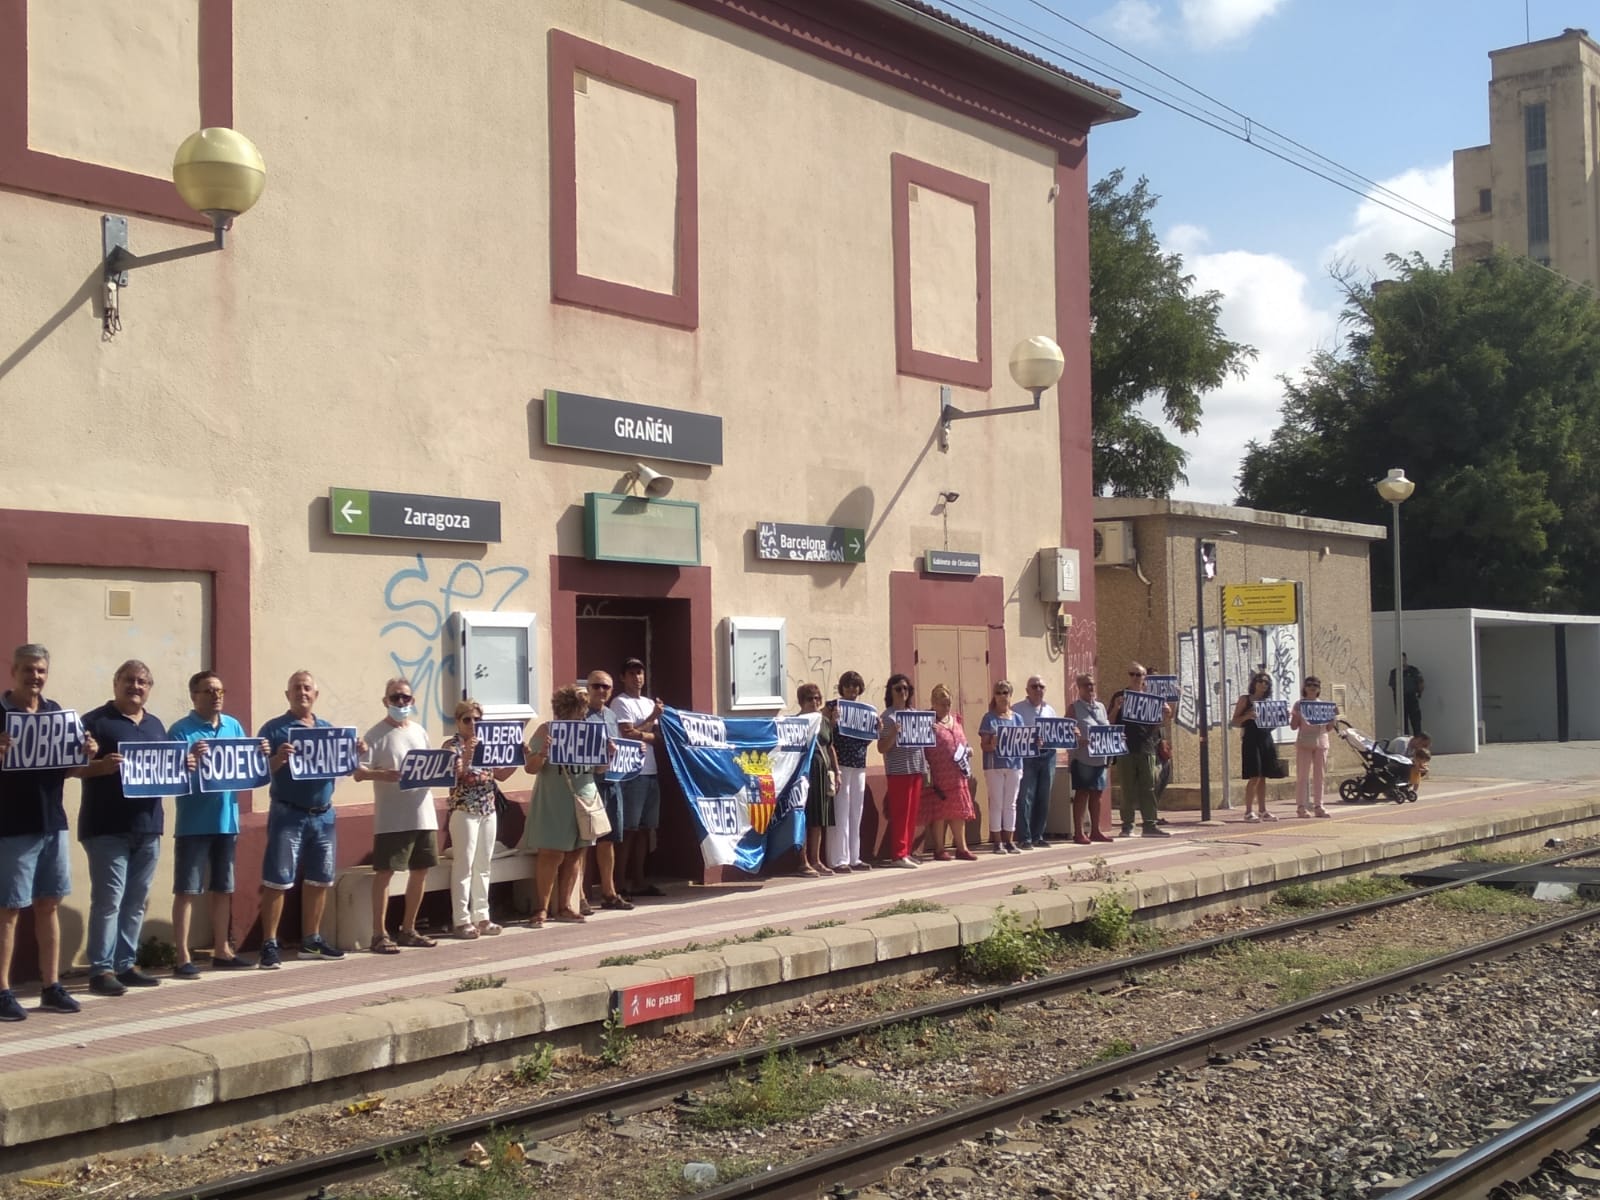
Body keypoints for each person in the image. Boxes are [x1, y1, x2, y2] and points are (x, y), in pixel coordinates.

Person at [80, 660, 190, 996]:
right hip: (106, 827)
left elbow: (168, 770)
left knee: (136, 900)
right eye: (129, 680)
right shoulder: (94, 722)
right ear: (115, 683)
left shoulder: (156, 725)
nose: (135, 687)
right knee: (109, 900)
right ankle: (101, 970)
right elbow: (72, 768)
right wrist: (98, 765)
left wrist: (185, 764)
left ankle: (126, 964)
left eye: (142, 681)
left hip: (148, 826)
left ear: (149, 688)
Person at [0, 644, 97, 1020]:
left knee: (48, 904)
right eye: (27, 669)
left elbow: (68, 769)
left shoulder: (57, 714)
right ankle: (4, 990)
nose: (34, 676)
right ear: (13, 671)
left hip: (52, 823)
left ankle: (50, 986)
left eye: (40, 670)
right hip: (11, 826)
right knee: (9, 909)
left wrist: (85, 753)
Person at [257, 670, 361, 968]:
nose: (302, 692)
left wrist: (357, 752)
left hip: (324, 816)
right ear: (287, 695)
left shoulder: (328, 730)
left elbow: (348, 769)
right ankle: (269, 943)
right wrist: (278, 759)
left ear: (315, 695)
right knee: (277, 880)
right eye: (296, 688)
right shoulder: (274, 729)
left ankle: (311, 940)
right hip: (288, 814)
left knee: (320, 879)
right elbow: (258, 771)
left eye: (307, 688)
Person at [169, 670, 267, 974]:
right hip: (193, 823)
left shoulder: (233, 726)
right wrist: (188, 761)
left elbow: (246, 767)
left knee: (223, 888)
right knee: (187, 889)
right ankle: (182, 956)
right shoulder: (180, 731)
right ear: (194, 695)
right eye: (209, 691)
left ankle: (222, 950)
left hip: (227, 821)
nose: (216, 696)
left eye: (220, 691)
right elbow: (170, 776)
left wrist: (261, 754)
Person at [356, 677, 440, 954]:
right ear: (386, 701)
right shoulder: (374, 736)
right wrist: (383, 775)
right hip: (392, 819)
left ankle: (408, 929)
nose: (401, 702)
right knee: (385, 873)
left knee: (420, 871)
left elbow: (431, 766)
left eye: (405, 697)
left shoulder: (420, 731)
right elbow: (358, 772)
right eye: (395, 698)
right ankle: (379, 934)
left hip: (423, 814)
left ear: (412, 701)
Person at [442, 699, 518, 939]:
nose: (473, 724)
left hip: (487, 809)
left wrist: (517, 756)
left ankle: (482, 915)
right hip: (464, 810)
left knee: (484, 865)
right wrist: (467, 753)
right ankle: (461, 919)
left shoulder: (488, 745)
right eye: (467, 719)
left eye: (477, 719)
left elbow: (502, 775)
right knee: (464, 865)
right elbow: (453, 776)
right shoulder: (451, 746)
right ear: (458, 722)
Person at [523, 684, 599, 924]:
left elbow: (599, 768)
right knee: (551, 853)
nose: (583, 714)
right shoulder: (546, 730)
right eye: (580, 708)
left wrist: (609, 754)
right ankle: (541, 908)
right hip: (554, 800)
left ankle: (565, 906)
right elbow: (530, 767)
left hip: (583, 798)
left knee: (576, 853)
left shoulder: (590, 732)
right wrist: (543, 752)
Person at [610, 658, 665, 898]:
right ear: (623, 677)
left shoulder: (649, 702)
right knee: (628, 830)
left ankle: (640, 880)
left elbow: (659, 737)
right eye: (631, 673)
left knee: (645, 830)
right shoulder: (620, 702)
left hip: (651, 771)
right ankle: (620, 882)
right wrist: (650, 722)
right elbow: (626, 733)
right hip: (631, 774)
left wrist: (643, 732)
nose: (637, 677)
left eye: (640, 673)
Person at [581, 670, 632, 912]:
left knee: (608, 839)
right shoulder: (580, 716)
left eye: (606, 687)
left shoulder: (612, 716)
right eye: (597, 686)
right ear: (588, 688)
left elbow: (619, 748)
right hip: (590, 784)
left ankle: (609, 892)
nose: (602, 691)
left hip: (613, 782)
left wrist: (634, 753)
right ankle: (579, 895)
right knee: (584, 839)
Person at [1108, 663, 1173, 838]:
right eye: (1133, 674)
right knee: (1127, 789)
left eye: (1140, 675)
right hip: (1125, 749)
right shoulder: (1120, 696)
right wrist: (1116, 708)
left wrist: (1166, 713)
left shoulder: (1152, 699)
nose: (1136, 678)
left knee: (1149, 788)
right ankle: (1127, 825)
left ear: (1145, 677)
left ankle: (1150, 824)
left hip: (1147, 747)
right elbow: (1110, 722)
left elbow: (1157, 724)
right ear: (1129, 676)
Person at [825, 671, 875, 872]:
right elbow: (824, 733)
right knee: (841, 809)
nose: (852, 690)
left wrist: (875, 729)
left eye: (855, 686)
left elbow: (865, 740)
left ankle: (855, 856)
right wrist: (833, 721)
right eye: (848, 686)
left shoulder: (865, 711)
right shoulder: (832, 706)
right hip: (840, 764)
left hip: (859, 764)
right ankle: (838, 859)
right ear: (842, 688)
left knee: (856, 811)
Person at [922, 683, 976, 860]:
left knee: (958, 810)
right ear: (934, 703)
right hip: (939, 774)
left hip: (958, 773)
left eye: (948, 704)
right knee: (940, 812)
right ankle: (939, 848)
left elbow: (963, 741)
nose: (946, 707)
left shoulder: (956, 720)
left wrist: (968, 750)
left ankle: (962, 847)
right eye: (942, 703)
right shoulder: (928, 722)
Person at [875, 674, 923, 869]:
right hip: (898, 771)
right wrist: (894, 733)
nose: (903, 692)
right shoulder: (888, 717)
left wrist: (930, 732)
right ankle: (898, 854)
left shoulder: (915, 714)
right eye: (898, 688)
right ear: (891, 691)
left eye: (906, 689)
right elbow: (881, 747)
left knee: (912, 814)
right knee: (900, 813)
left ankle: (906, 851)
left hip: (916, 768)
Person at [795, 684, 838, 877]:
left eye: (817, 698)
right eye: (810, 698)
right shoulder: (796, 722)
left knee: (819, 818)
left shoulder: (824, 721)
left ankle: (816, 859)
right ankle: (802, 861)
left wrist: (837, 772)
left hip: (822, 773)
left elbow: (830, 747)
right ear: (802, 701)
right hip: (804, 774)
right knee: (803, 817)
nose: (814, 702)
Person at [979, 680, 1025, 854]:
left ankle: (1010, 840)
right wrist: (993, 743)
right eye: (998, 693)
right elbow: (984, 746)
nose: (1002, 696)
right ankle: (997, 841)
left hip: (1014, 765)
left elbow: (1024, 742)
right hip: (994, 765)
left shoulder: (1018, 718)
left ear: (1010, 695)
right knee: (997, 803)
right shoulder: (989, 718)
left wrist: (1035, 742)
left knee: (1010, 803)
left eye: (1005, 692)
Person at [1067, 673, 1114, 843]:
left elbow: (1107, 728)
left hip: (1100, 758)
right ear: (1078, 688)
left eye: (1092, 684)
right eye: (1086, 685)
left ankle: (1096, 830)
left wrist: (1117, 739)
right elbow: (1066, 732)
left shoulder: (1101, 707)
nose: (1090, 688)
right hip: (1083, 758)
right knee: (1082, 793)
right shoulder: (1074, 708)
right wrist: (1078, 738)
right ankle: (1079, 832)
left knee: (1097, 794)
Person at [1013, 676, 1058, 849]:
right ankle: (1025, 837)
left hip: (1048, 756)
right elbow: (1014, 736)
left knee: (1044, 797)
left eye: (1041, 686)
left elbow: (1056, 733)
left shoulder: (1050, 710)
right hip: (1028, 757)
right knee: (1025, 796)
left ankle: (1038, 835)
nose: (1038, 689)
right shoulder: (1017, 710)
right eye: (1034, 686)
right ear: (1027, 690)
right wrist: (1031, 739)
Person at [1232, 671, 1279, 822]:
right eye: (1260, 681)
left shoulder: (1268, 702)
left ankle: (1263, 810)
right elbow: (1235, 721)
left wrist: (1280, 716)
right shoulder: (1245, 700)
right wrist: (1247, 716)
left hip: (1265, 738)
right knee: (1254, 775)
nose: (1263, 684)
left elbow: (1272, 725)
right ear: (1254, 683)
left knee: (1263, 776)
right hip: (1251, 739)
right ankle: (1248, 811)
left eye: (1266, 682)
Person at [1289, 676, 1332, 819]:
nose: (1312, 687)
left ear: (1319, 688)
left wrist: (1332, 718)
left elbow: (1329, 728)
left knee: (1320, 776)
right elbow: (1294, 726)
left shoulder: (1324, 705)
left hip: (1321, 742)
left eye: (1315, 685)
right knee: (1302, 775)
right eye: (1309, 685)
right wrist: (1295, 716)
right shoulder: (1299, 705)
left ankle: (1319, 806)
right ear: (1304, 688)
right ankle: (1301, 806)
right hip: (1304, 742)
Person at [1388, 654, 1425, 736]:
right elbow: (1393, 686)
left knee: (1416, 724)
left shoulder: (1413, 670)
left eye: (1403, 659)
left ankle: (1418, 745)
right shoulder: (1394, 672)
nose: (1401, 661)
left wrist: (1419, 694)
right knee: (1403, 726)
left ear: (1406, 659)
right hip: (1400, 701)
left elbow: (1421, 683)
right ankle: (1405, 745)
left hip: (1412, 699)